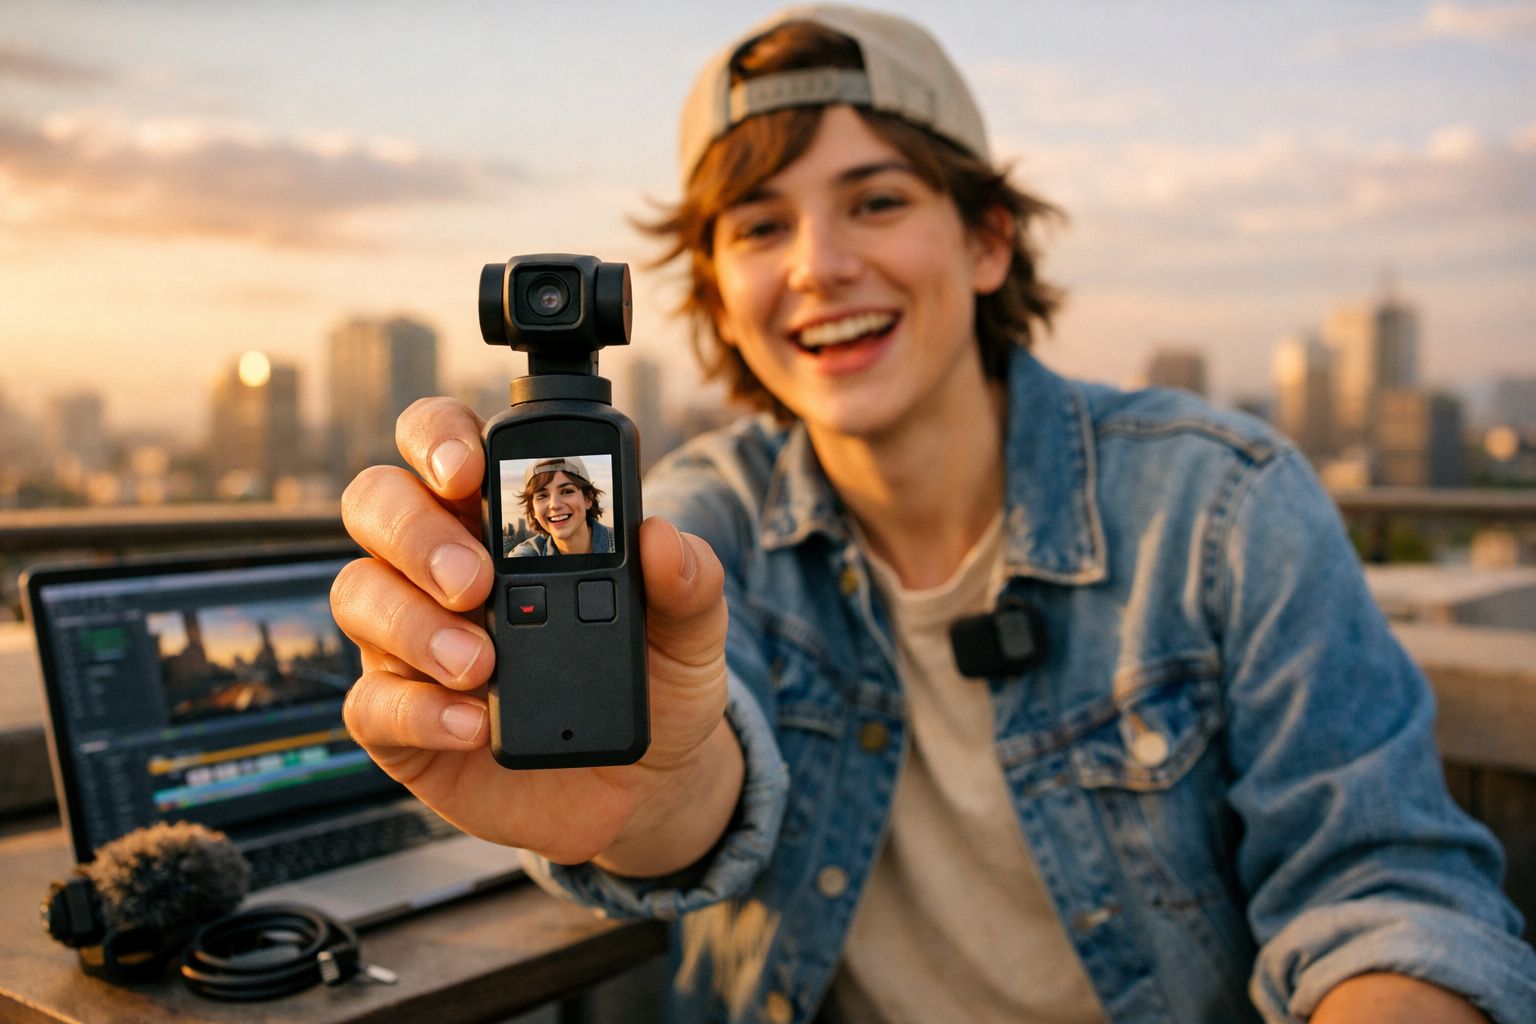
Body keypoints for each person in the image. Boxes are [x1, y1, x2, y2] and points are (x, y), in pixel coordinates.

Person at [330, 6, 1536, 1022]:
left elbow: (1383, 889)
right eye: (759, 227)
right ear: (720, 299)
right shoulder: (693, 519)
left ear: (987, 240)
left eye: (876, 201)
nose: (818, 264)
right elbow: (701, 768)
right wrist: (643, 803)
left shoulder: (1219, 505)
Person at [508, 456, 614, 556]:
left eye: (567, 491)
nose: (555, 505)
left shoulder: (625, 543)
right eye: (542, 496)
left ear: (587, 499)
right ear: (533, 510)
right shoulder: (526, 553)